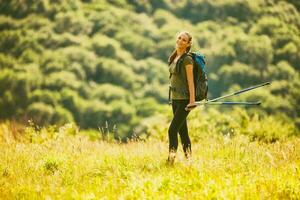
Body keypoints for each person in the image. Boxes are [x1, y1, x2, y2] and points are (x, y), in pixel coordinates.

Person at [167, 31, 196, 164]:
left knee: (172, 130)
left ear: (188, 44)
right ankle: (189, 160)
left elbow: (191, 81)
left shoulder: (187, 59)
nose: (180, 41)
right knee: (182, 132)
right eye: (179, 38)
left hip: (184, 100)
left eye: (184, 40)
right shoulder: (174, 57)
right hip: (175, 99)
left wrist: (192, 101)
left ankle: (171, 160)